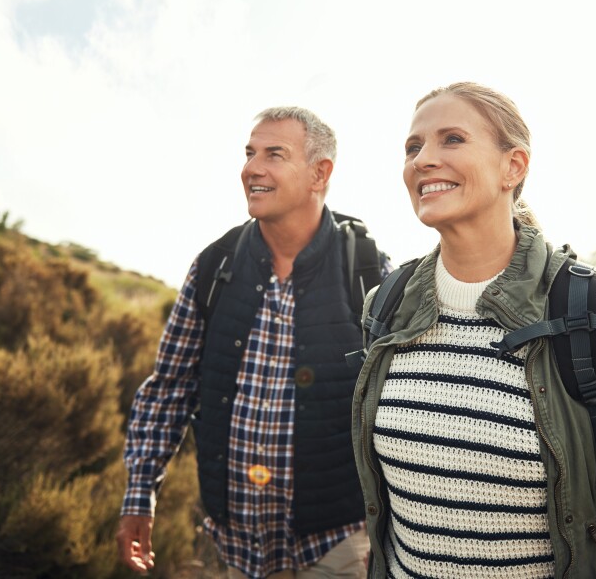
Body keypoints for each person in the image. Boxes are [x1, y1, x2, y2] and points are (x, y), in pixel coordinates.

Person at [351, 82, 596, 578]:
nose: (423, 159)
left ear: (513, 166)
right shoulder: (386, 306)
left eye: (452, 139)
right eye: (413, 147)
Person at [117, 106, 391, 578]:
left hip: (340, 543)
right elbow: (169, 389)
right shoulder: (214, 266)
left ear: (320, 173)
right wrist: (140, 495)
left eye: (274, 154)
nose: (251, 168)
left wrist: (389, 529)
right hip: (236, 547)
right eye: (249, 154)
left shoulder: (368, 270)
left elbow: (394, 409)